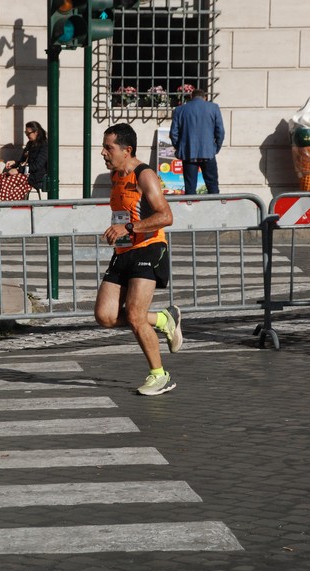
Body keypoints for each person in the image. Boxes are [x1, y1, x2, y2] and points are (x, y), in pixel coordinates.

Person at [94, 123, 183, 396]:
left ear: (126, 150)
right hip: (124, 251)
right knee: (105, 316)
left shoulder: (145, 175)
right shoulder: (115, 176)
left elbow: (166, 216)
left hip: (149, 248)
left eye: (108, 147)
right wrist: (118, 233)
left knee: (133, 315)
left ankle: (160, 375)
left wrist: (129, 228)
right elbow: (125, 213)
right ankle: (163, 320)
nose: (103, 152)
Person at [169, 88, 225, 195]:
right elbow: (220, 131)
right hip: (208, 153)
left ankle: (191, 210)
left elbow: (173, 133)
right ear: (205, 97)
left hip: (188, 153)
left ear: (191, 97)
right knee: (212, 186)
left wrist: (180, 147)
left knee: (190, 188)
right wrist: (215, 148)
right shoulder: (213, 108)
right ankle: (215, 209)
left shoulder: (180, 110)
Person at [0, 121, 47, 201]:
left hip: (33, 176)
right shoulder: (30, 144)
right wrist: (15, 163)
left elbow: (37, 166)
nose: (27, 135)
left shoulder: (44, 146)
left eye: (28, 133)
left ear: (36, 132)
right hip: (24, 173)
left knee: (6, 182)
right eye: (25, 133)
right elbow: (24, 161)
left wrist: (18, 170)